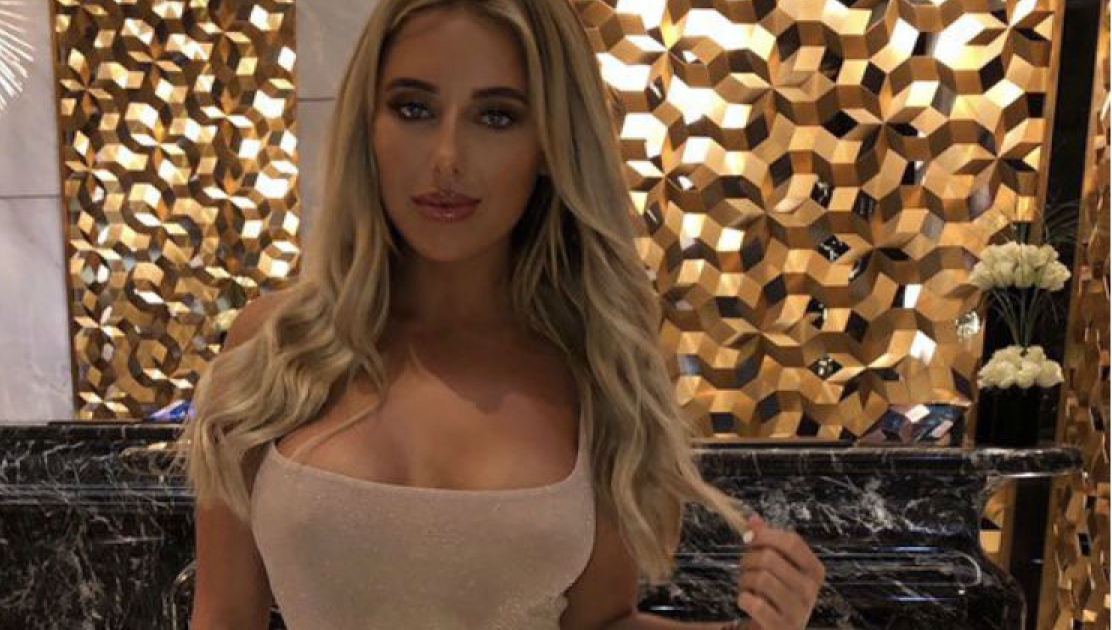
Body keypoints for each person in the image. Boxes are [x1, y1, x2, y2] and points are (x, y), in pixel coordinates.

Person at [180, 1, 825, 629]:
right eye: (414, 108)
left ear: (548, 144)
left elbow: (600, 622)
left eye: (496, 116)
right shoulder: (276, 346)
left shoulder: (595, 367)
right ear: (367, 125)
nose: (447, 158)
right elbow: (224, 616)